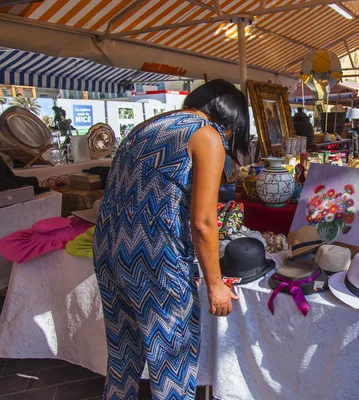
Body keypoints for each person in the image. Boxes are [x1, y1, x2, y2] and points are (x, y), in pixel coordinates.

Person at [93, 79, 248, 399]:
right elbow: (204, 222)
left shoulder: (147, 126)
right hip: (155, 261)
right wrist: (215, 284)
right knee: (172, 366)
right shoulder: (206, 135)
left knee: (123, 356)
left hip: (109, 248)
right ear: (230, 122)